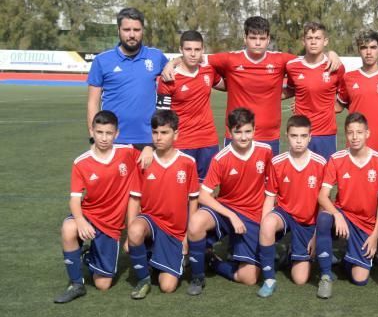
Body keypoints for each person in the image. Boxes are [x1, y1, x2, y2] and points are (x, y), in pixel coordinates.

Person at [161, 16, 341, 155]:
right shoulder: (230, 59)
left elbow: (311, 60)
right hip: (237, 134)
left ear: (268, 39)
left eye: (262, 38)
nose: (257, 42)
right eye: (253, 37)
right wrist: (173, 62)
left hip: (269, 136)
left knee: (267, 188)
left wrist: (331, 54)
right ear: (245, 38)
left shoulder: (282, 60)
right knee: (233, 186)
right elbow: (195, 57)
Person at [185, 108, 274, 296]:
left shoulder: (265, 152)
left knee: (249, 278)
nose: (243, 137)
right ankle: (197, 276)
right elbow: (203, 195)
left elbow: (271, 190)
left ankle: (212, 261)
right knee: (195, 223)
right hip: (226, 210)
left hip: (253, 215)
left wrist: (265, 220)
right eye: (238, 131)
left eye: (248, 131)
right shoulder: (221, 158)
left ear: (254, 130)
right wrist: (231, 214)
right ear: (229, 132)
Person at [54, 111, 139, 303]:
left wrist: (149, 149)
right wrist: (80, 221)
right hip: (89, 215)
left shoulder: (127, 153)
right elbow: (75, 199)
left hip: (112, 224)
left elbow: (148, 154)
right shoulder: (81, 162)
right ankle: (76, 284)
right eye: (99, 132)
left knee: (103, 285)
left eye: (109, 133)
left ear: (117, 134)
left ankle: (87, 256)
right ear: (91, 131)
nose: (104, 138)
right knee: (68, 228)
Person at [315, 113, 378, 298]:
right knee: (325, 218)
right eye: (350, 133)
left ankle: (348, 259)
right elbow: (322, 196)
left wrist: (375, 235)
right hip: (343, 213)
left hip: (365, 222)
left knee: (360, 280)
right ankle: (325, 275)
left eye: (359, 132)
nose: (355, 137)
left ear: (367, 133)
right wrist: (337, 214)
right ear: (346, 135)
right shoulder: (337, 159)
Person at [126, 110, 199, 299]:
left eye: (165, 133)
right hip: (150, 221)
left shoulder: (187, 163)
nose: (159, 137)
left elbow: (193, 200)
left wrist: (186, 236)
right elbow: (135, 199)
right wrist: (129, 233)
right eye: (155, 132)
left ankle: (153, 260)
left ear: (176, 134)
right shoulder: (144, 161)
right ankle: (143, 280)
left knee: (167, 287)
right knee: (135, 231)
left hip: (174, 230)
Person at [87, 7, 168, 167]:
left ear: (142, 30)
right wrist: (93, 137)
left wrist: (174, 63)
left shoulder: (156, 57)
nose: (132, 34)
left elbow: (177, 69)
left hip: (148, 142)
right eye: (127, 29)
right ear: (118, 30)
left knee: (148, 192)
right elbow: (92, 103)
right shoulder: (102, 61)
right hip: (113, 140)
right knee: (113, 192)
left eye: (136, 30)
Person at [257, 115, 327, 298]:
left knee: (300, 279)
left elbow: (323, 204)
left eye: (303, 136)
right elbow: (269, 198)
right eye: (294, 135)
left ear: (310, 137)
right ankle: (269, 279)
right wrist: (263, 227)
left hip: (308, 222)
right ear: (286, 135)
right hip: (285, 214)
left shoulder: (320, 164)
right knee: (268, 223)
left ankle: (291, 254)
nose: (298, 141)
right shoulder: (277, 162)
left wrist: (316, 235)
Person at [156, 30, 221, 181]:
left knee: (205, 188)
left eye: (197, 49)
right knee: (181, 188)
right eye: (188, 49)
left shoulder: (209, 70)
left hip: (208, 141)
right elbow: (161, 116)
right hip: (182, 142)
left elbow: (228, 85)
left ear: (203, 50)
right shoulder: (168, 78)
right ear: (180, 50)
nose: (193, 54)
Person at [286, 22, 345, 160]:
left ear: (325, 41)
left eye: (318, 38)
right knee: (299, 176)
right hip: (300, 131)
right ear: (303, 41)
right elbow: (291, 89)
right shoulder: (292, 66)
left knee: (325, 178)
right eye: (309, 38)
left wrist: (331, 109)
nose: (313, 42)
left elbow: (344, 97)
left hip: (326, 133)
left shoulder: (336, 67)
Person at [336, 30, 378, 159]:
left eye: (373, 47)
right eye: (364, 48)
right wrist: (306, 105)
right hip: (355, 145)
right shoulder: (348, 78)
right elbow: (338, 106)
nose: (368, 52)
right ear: (359, 50)